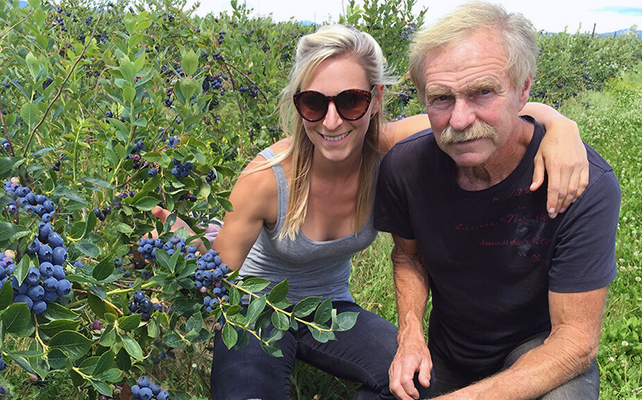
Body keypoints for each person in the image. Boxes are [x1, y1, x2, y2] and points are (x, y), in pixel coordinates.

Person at [153, 24, 589, 400]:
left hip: (332, 308)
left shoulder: (393, 152)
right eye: (313, 103)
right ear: (298, 104)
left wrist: (559, 126)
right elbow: (215, 281)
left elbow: (477, 115)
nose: (331, 121)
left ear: (376, 99)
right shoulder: (266, 179)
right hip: (257, 309)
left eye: (351, 101)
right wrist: (172, 258)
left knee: (420, 381)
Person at [373, 3, 621, 400]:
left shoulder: (582, 182)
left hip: (539, 351)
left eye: (483, 92)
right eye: (441, 98)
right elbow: (408, 257)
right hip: (449, 351)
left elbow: (575, 342)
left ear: (524, 89)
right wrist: (410, 335)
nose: (459, 119)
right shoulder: (407, 167)